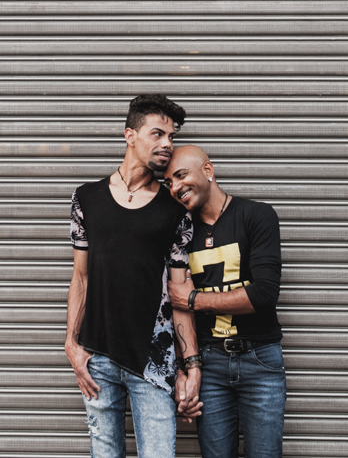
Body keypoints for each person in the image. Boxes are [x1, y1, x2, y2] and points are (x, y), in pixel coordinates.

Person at [66, 94, 203, 458]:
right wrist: (72, 345)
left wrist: (190, 365)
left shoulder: (175, 211)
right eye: (157, 134)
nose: (167, 144)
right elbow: (81, 277)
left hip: (153, 361)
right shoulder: (87, 199)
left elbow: (180, 290)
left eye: (171, 137)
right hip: (98, 355)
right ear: (130, 135)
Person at [164, 145, 285, 458]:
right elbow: (172, 309)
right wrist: (184, 370)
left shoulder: (256, 215)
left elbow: (264, 294)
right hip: (209, 365)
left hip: (260, 359)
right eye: (169, 183)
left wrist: (193, 299)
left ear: (208, 170)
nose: (175, 187)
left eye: (181, 176)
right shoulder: (180, 234)